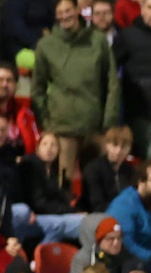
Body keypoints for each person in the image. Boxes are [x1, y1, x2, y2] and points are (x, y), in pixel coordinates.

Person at [31, 0, 118, 189]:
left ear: (78, 10)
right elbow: (37, 88)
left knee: (99, 184)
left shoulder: (98, 41)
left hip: (95, 127)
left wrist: (108, 122)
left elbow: (112, 83)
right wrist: (47, 123)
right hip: (62, 128)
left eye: (68, 10)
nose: (64, 15)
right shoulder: (46, 45)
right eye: (59, 12)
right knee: (64, 186)